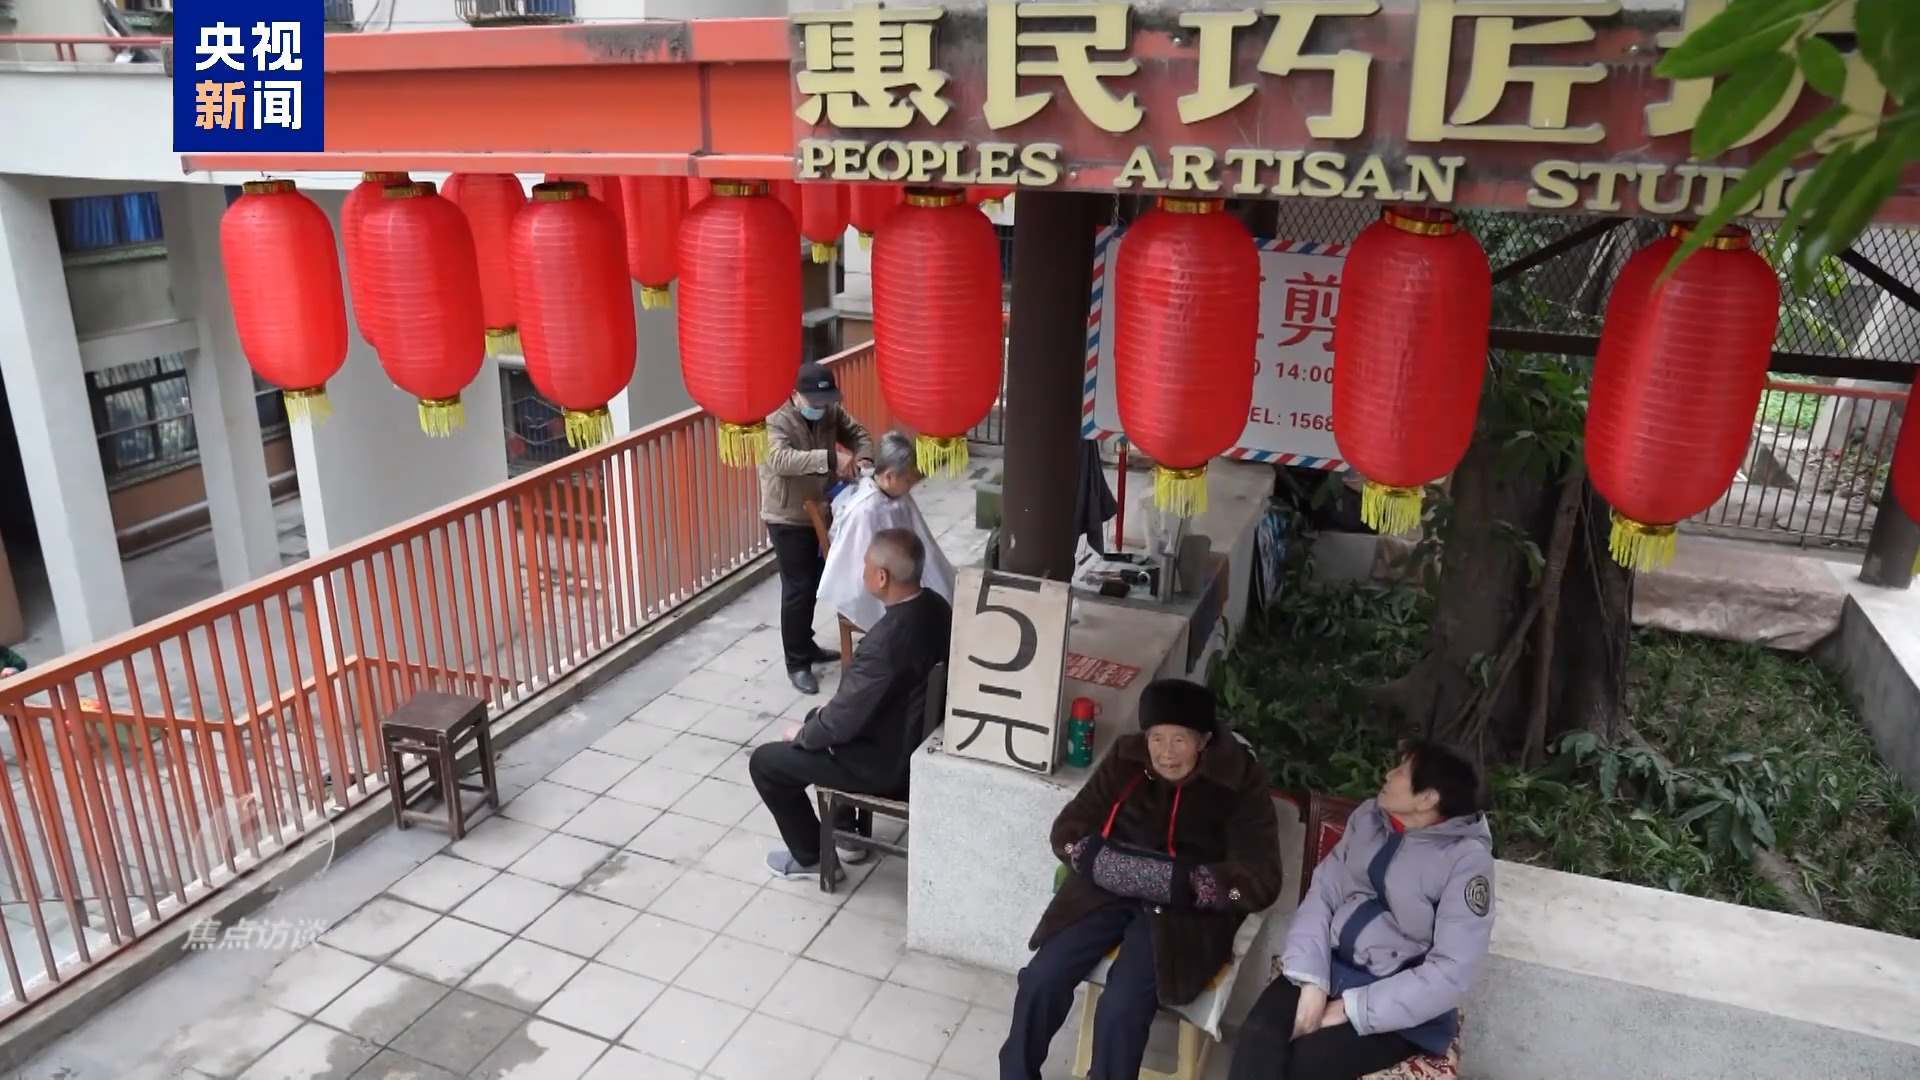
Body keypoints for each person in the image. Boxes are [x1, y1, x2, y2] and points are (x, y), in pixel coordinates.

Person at [1000, 680, 1283, 1080]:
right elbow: (1068, 830)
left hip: (1184, 911)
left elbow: (1261, 881)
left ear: (1203, 741)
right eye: (1156, 738)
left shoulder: (1238, 779)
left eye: (1179, 740)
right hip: (1108, 888)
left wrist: (1199, 887)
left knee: (1122, 1005)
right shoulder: (1127, 758)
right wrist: (1101, 862)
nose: (1166, 753)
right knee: (1041, 978)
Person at [1228, 742, 1494, 1080]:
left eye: (1401, 771)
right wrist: (1312, 980)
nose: (1388, 775)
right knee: (1258, 1037)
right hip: (1330, 964)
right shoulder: (1369, 818)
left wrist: (1353, 1009)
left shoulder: (1466, 862)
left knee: (1306, 1062)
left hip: (1396, 1002)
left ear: (1428, 798)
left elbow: (1452, 970)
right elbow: (1323, 893)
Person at [749, 528, 951, 879]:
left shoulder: (883, 645)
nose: (862, 571)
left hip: (885, 766)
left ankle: (813, 859)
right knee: (816, 718)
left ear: (882, 577)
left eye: (865, 565)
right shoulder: (936, 606)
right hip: (915, 737)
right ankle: (846, 833)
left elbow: (839, 723)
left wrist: (803, 736)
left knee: (767, 763)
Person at [761, 361, 874, 695]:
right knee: (797, 587)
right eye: (814, 402)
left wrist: (864, 458)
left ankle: (806, 644)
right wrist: (831, 458)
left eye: (826, 402)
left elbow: (858, 434)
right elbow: (780, 460)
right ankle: (796, 663)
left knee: (817, 579)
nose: (821, 408)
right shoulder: (775, 418)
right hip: (786, 514)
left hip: (821, 508)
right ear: (795, 395)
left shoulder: (829, 410)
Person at [818, 430, 957, 633]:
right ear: (889, 476)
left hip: (905, 568)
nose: (910, 486)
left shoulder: (898, 495)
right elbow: (858, 570)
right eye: (908, 480)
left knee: (941, 593)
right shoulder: (865, 510)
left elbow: (923, 542)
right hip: (882, 580)